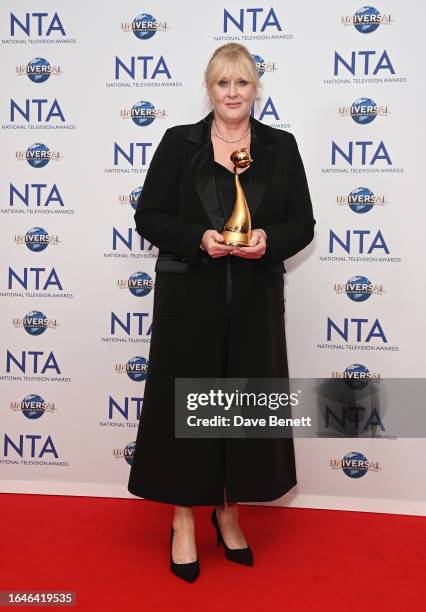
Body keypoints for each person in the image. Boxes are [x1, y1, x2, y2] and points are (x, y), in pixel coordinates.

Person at [127, 42, 316, 582]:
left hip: (254, 300)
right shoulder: (176, 143)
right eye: (222, 84)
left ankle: (228, 510)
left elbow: (302, 223)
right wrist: (198, 237)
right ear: (209, 89)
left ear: (256, 89)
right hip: (190, 300)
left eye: (242, 84)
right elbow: (150, 215)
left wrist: (266, 239)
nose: (232, 94)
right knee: (185, 413)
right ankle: (183, 518)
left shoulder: (281, 147)